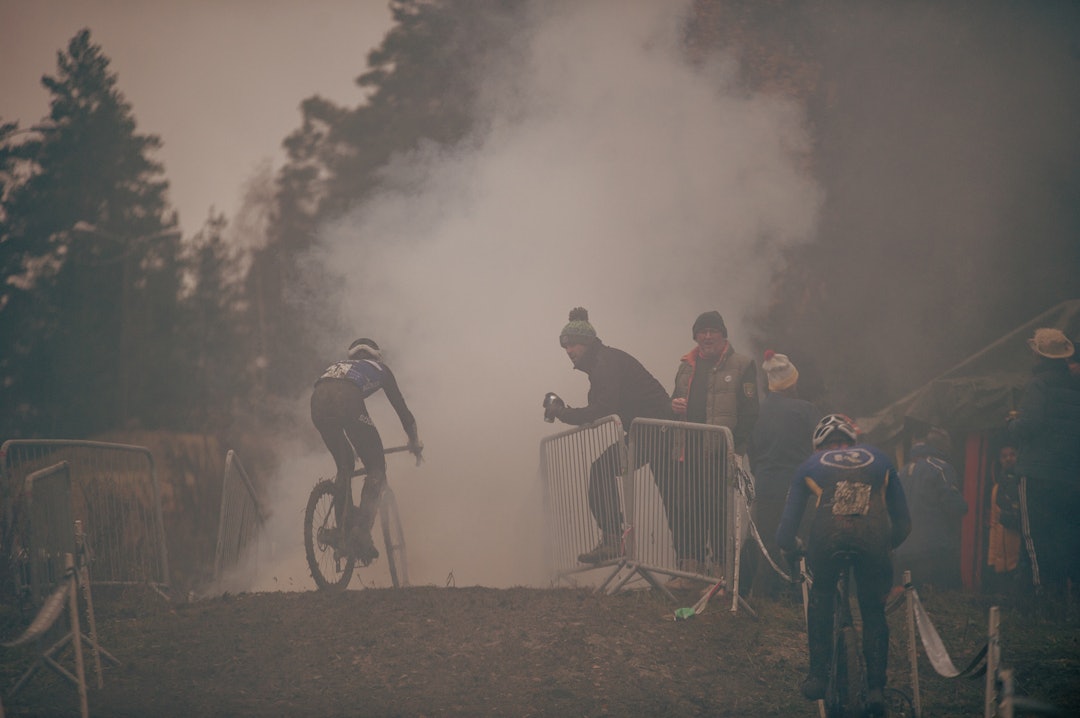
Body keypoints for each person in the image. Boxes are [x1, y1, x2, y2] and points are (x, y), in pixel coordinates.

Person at [775, 414, 911, 717]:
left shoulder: (809, 465)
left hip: (828, 539)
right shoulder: (879, 457)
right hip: (873, 539)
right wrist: (887, 547)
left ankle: (818, 677)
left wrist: (794, 548)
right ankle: (876, 688)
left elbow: (784, 533)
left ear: (818, 446)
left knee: (822, 594)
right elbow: (904, 522)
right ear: (854, 441)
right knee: (873, 610)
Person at [545, 307, 671, 564]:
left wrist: (564, 413)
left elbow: (603, 407)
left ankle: (615, 540)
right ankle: (616, 539)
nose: (569, 351)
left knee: (604, 470)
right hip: (650, 430)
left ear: (587, 343)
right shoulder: (602, 363)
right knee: (668, 496)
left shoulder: (605, 363)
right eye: (565, 346)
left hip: (659, 431)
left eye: (573, 345)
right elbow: (601, 405)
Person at [661, 310, 759, 588]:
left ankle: (718, 574)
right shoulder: (686, 365)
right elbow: (673, 399)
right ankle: (690, 569)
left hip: (719, 454)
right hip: (686, 451)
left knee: (717, 511)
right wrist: (673, 405)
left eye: (712, 330)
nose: (707, 336)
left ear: (723, 334)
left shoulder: (742, 364)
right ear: (695, 336)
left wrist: (734, 449)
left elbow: (751, 412)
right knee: (687, 509)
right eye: (701, 331)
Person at [311, 338, 422, 564]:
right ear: (376, 356)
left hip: (317, 401)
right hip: (347, 400)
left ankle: (340, 530)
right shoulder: (381, 369)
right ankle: (361, 531)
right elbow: (402, 410)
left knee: (345, 465)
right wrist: (414, 441)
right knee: (377, 466)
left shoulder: (339, 366)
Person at [1006, 327, 1080, 595]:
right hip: (1071, 473)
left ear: (1039, 356)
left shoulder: (1038, 384)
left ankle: (1042, 593)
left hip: (1036, 472)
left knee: (1034, 535)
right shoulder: (1075, 384)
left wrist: (1012, 425)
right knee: (1065, 535)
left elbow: (1029, 425)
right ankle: (1066, 594)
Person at [747, 350, 821, 599]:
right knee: (801, 544)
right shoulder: (807, 410)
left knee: (767, 546)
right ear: (793, 382)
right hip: (800, 490)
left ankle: (764, 599)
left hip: (766, 488)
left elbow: (753, 450)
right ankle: (800, 596)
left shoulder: (758, 411)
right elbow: (818, 450)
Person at [892, 427, 968, 591]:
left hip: (903, 551)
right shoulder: (941, 468)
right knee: (945, 600)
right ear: (944, 447)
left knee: (913, 601)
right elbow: (954, 506)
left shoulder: (901, 472)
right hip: (934, 550)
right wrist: (964, 505)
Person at [985, 442, 1024, 596]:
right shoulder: (996, 488)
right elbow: (994, 524)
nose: (1008, 459)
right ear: (1000, 460)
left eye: (1012, 454)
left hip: (1019, 558)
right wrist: (992, 558)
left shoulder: (1023, 484)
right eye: (1004, 456)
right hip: (1001, 561)